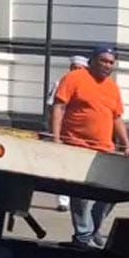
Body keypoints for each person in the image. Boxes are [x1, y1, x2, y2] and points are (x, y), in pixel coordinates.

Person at [50, 45, 129, 248]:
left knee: (112, 193)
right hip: (76, 144)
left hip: (104, 148)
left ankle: (93, 228)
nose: (107, 65)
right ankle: (83, 236)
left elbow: (117, 118)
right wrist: (55, 138)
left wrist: (127, 146)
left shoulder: (112, 87)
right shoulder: (75, 78)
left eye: (111, 62)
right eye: (103, 60)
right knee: (80, 194)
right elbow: (59, 107)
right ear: (93, 60)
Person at [47, 55, 89, 212]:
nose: (76, 71)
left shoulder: (88, 84)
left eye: (79, 69)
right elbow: (52, 107)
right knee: (63, 167)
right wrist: (54, 132)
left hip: (81, 134)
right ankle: (63, 201)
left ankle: (79, 201)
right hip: (63, 132)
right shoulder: (60, 83)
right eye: (74, 68)